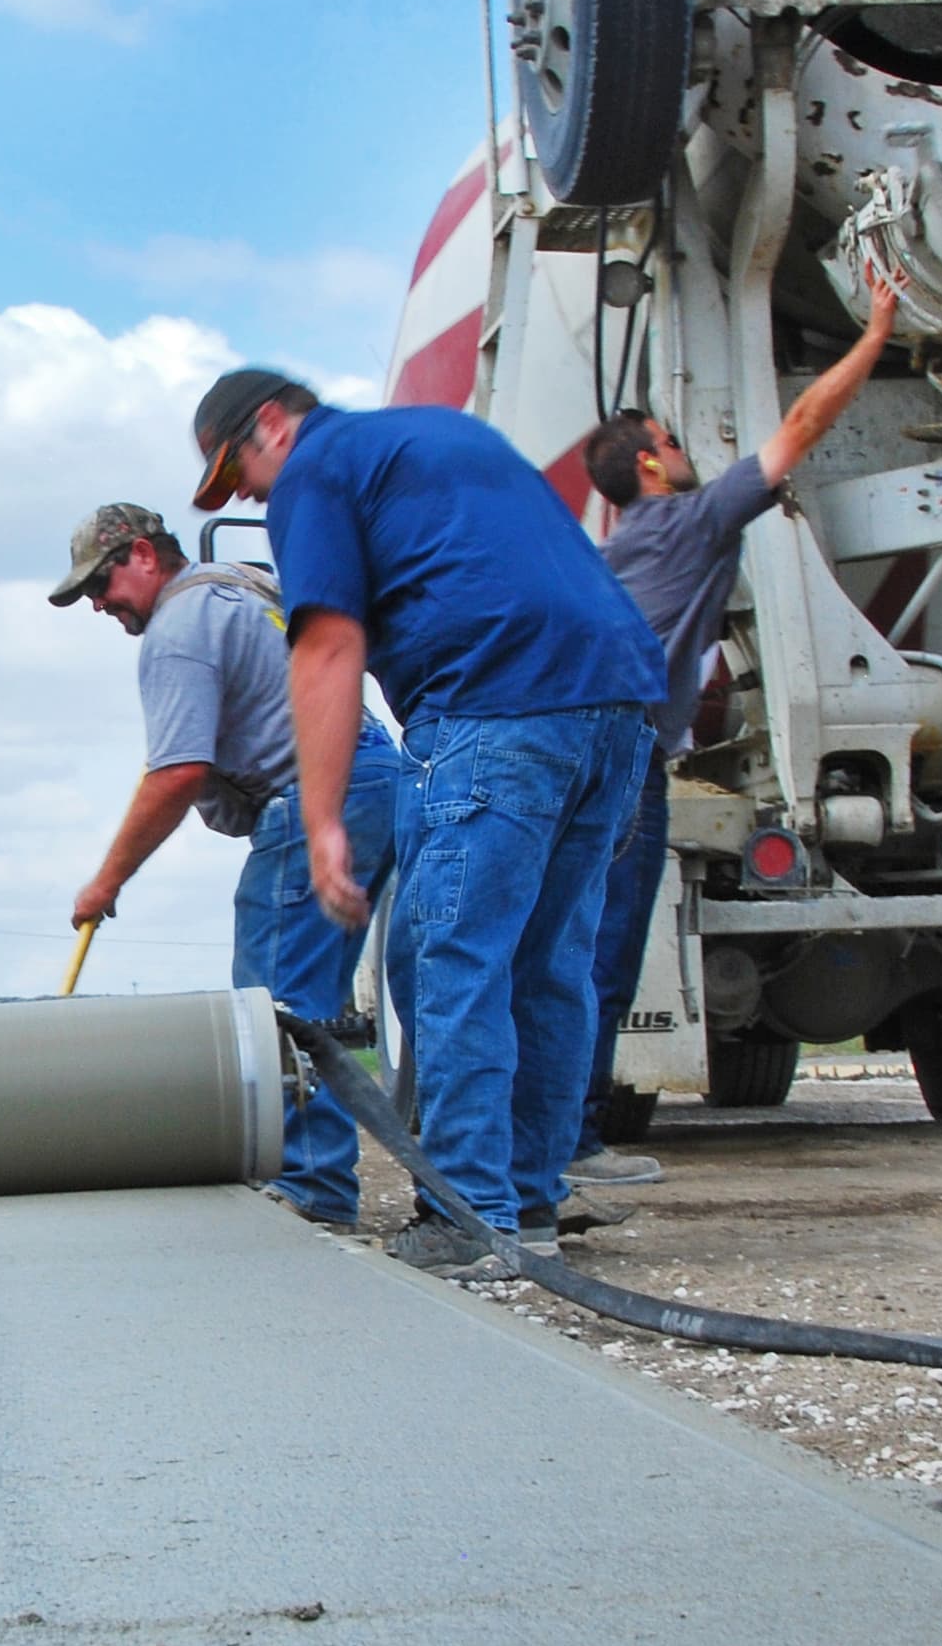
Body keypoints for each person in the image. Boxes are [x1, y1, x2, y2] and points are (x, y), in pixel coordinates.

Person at [195, 364, 670, 1274]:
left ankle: (466, 1216)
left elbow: (328, 646)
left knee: (453, 959)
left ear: (272, 426)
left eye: (237, 472)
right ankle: (526, 1204)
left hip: (497, 707)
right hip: (614, 711)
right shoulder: (450, 437)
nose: (249, 492)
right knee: (550, 963)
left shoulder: (316, 471)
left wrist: (326, 817)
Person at [579, 282, 904, 1155]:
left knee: (584, 948)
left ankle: (558, 1139)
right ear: (649, 466)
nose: (682, 452)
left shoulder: (613, 550)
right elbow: (800, 426)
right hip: (624, 756)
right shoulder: (688, 522)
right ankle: (570, 1144)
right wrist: (876, 332)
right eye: (671, 442)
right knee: (607, 951)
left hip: (588, 749)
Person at [51, 502, 405, 1229]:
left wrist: (107, 879)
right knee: (320, 1003)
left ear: (145, 555)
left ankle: (311, 1189)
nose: (98, 603)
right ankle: (324, 1176)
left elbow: (177, 774)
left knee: (277, 1006)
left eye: (102, 581)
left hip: (314, 793)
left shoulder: (177, 631)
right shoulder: (240, 588)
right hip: (376, 780)